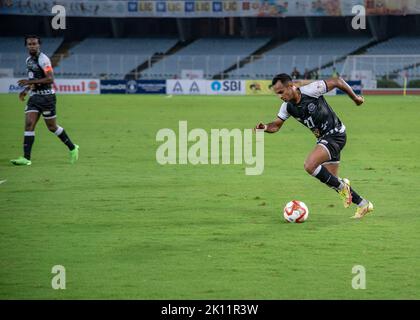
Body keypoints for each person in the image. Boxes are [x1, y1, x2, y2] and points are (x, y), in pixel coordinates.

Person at [257, 74, 373, 219]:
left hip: (335, 134)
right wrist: (265, 127)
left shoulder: (311, 90)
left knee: (310, 165)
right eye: (277, 94)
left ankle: (344, 186)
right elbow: (276, 126)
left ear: (291, 86)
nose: (280, 96)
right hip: (323, 139)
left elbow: (337, 81)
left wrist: (355, 98)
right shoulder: (287, 107)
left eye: (281, 92)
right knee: (333, 180)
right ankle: (363, 204)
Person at [11, 35, 79, 166]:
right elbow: (34, 79)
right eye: (29, 44)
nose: (32, 46)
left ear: (39, 45)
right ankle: (26, 158)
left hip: (47, 98)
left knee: (52, 127)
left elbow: (50, 79)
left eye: (34, 44)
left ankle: (72, 147)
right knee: (29, 124)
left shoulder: (44, 60)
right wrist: (25, 90)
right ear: (26, 46)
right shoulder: (28, 60)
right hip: (34, 98)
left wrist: (29, 82)